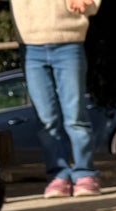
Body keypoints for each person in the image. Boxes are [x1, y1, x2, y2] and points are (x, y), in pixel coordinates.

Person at [10, 0, 103, 198]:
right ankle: (58, 174)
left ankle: (85, 173)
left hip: (69, 40)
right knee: (46, 119)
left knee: (75, 114)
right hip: (30, 44)